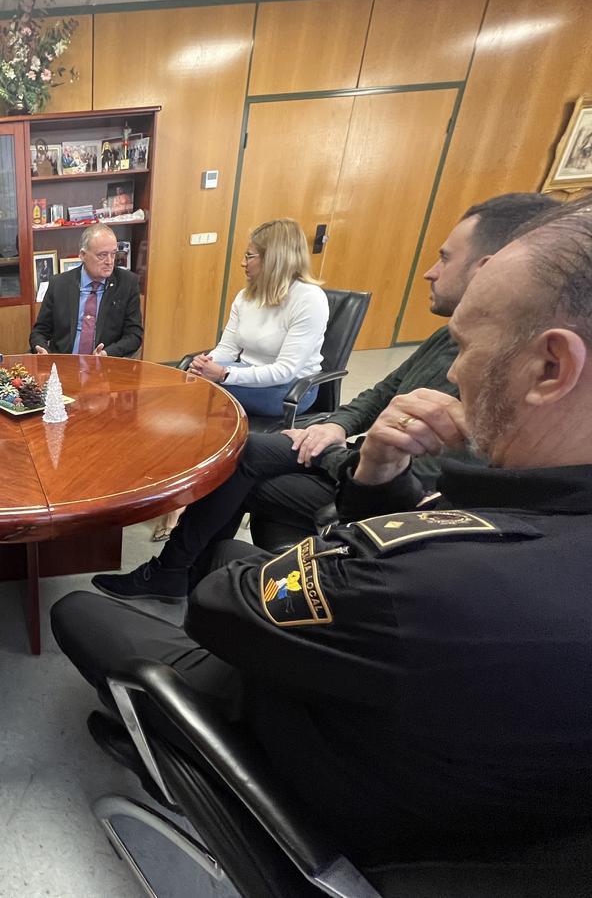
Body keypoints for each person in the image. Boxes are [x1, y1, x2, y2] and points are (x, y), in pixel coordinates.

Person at [53, 194, 592, 862]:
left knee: (80, 610)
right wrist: (376, 474)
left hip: (327, 777)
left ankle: (172, 748)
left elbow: (220, 613)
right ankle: (180, 570)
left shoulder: (446, 565)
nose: (452, 373)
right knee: (230, 538)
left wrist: (304, 552)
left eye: (466, 347)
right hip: (418, 741)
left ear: (550, 368)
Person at [106, 193, 558, 600]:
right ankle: (187, 572)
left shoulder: (515, 373)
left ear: (488, 269)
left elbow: (420, 479)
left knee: (237, 463)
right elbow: (383, 391)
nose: (430, 271)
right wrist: (336, 425)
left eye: (444, 257)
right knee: (235, 449)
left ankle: (176, 571)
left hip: (372, 482)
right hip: (353, 453)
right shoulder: (447, 336)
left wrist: (332, 450)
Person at [188, 219, 328, 417]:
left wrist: (223, 374)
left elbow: (285, 371)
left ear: (274, 259)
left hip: (290, 388)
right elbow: (228, 348)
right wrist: (205, 363)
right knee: (195, 383)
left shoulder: (310, 299)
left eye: (249, 256)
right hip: (245, 373)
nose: (243, 263)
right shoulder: (245, 296)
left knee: (202, 393)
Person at [29, 222, 143, 357]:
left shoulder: (127, 283)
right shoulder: (59, 284)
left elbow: (134, 335)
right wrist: (42, 349)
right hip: (64, 364)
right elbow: (39, 331)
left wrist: (108, 353)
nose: (110, 261)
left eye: (113, 254)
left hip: (106, 366)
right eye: (102, 255)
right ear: (83, 255)